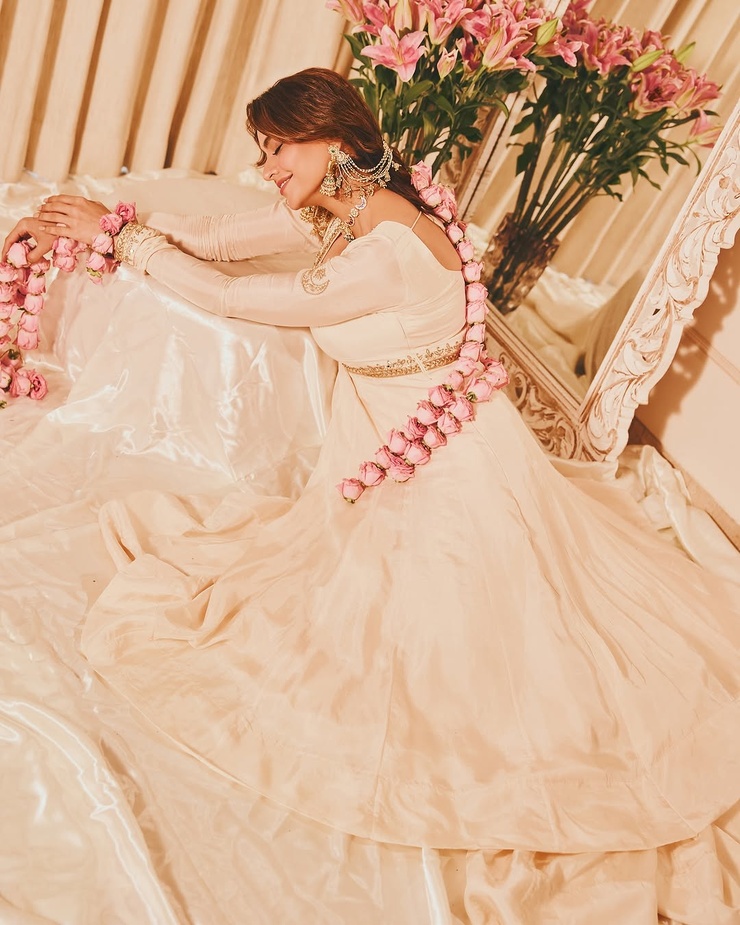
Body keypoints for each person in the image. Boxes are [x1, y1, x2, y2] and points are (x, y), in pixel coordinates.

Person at [1, 67, 739, 923]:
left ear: (337, 140)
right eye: (264, 151)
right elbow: (223, 237)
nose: (269, 167)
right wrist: (114, 219)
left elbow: (238, 294)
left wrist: (125, 242)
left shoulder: (387, 250)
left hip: (442, 474)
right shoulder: (351, 204)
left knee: (451, 662)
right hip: (401, 440)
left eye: (281, 148)